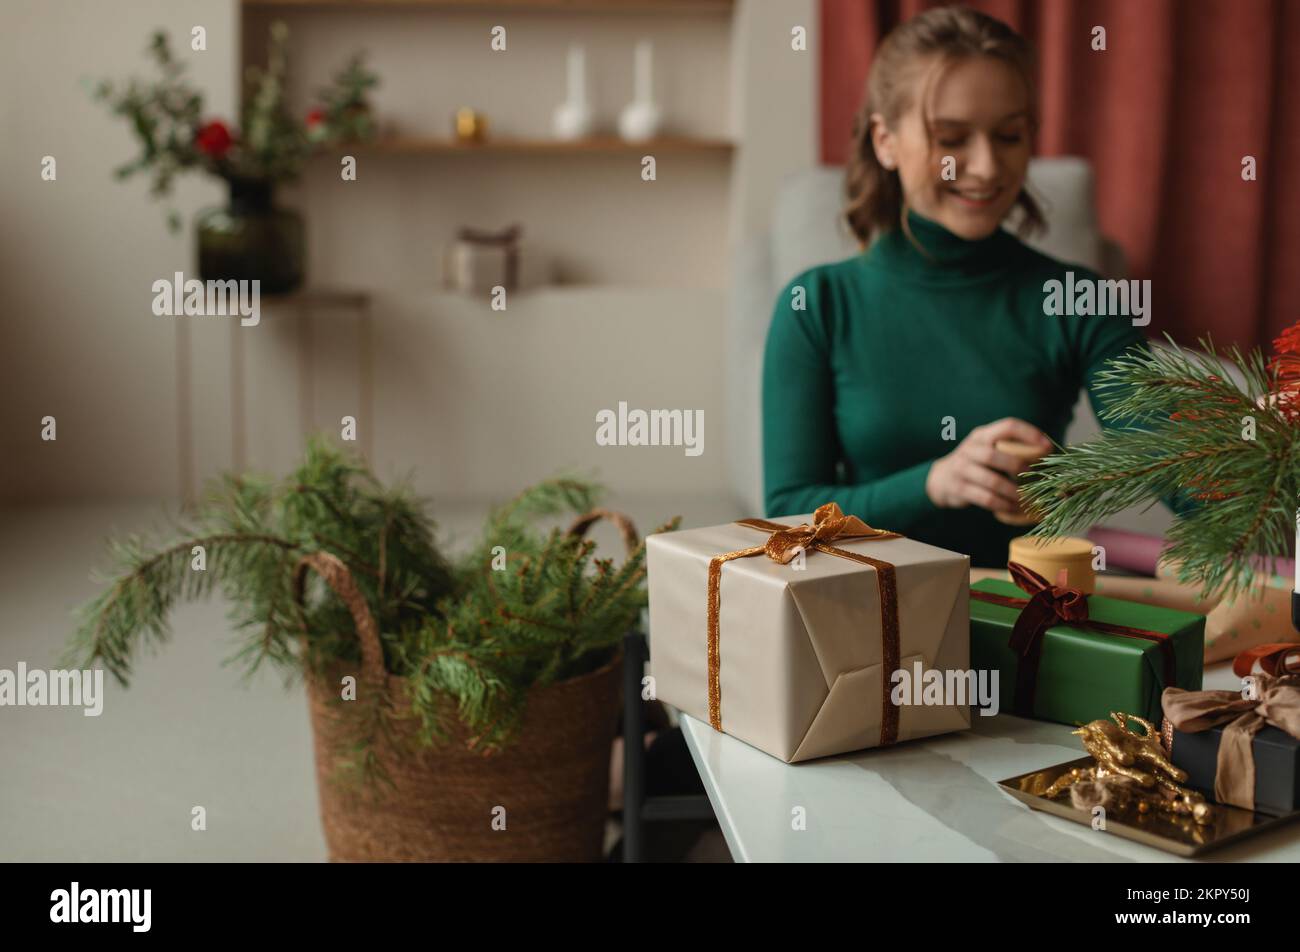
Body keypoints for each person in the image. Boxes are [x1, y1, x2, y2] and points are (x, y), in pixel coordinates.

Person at [762, 6, 1167, 567]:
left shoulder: (1080, 299)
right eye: (951, 137)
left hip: (1028, 618)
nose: (984, 167)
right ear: (885, 141)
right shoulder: (819, 306)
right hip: (865, 621)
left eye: (1009, 135)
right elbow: (788, 517)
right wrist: (933, 484)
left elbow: (1179, 464)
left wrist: (1266, 444)